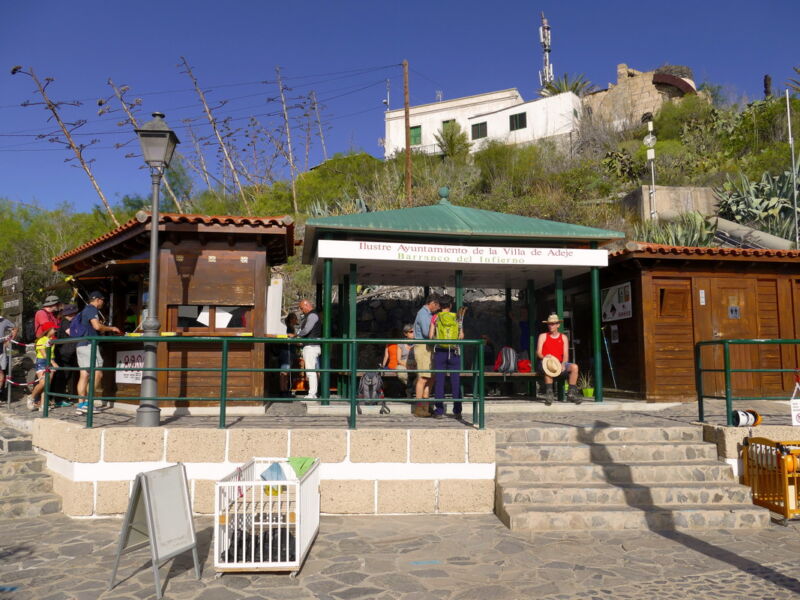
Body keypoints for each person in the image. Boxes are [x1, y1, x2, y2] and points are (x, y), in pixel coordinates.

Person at [75, 291, 121, 414]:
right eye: (102, 300)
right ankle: (88, 404)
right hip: (89, 345)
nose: (103, 303)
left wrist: (101, 328)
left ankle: (81, 404)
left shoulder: (85, 310)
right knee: (98, 374)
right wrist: (111, 328)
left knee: (84, 375)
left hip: (81, 345)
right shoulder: (92, 309)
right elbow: (97, 326)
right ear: (98, 300)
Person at [429, 295, 464, 419]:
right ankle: (457, 411)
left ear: (440, 305)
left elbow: (430, 336)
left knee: (439, 382)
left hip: (440, 352)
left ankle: (439, 411)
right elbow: (461, 336)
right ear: (450, 305)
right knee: (456, 381)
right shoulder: (457, 317)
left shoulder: (435, 317)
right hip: (454, 352)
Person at [536, 312, 580, 405]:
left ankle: (571, 393)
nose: (550, 326)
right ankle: (549, 394)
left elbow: (566, 354)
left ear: (558, 325)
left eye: (553, 324)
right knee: (548, 369)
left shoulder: (563, 337)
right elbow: (538, 352)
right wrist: (545, 357)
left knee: (574, 367)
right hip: (546, 362)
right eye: (549, 324)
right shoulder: (543, 336)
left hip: (559, 363)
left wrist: (563, 364)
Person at [413, 294, 439, 417]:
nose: (438, 309)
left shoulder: (427, 314)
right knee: (423, 378)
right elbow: (426, 332)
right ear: (432, 303)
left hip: (428, 347)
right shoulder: (423, 314)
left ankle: (425, 405)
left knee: (430, 377)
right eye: (437, 306)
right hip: (423, 347)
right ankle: (419, 407)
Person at [291, 299, 321, 400]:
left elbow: (307, 330)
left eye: (302, 308)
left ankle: (312, 394)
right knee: (314, 371)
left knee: (311, 371)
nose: (301, 310)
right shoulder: (312, 315)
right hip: (312, 346)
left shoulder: (312, 315)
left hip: (311, 347)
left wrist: (296, 335)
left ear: (307, 305)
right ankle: (314, 392)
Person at [51, 304, 79, 407]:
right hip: (64, 353)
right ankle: (58, 399)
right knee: (62, 376)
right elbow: (71, 333)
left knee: (64, 376)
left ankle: (59, 397)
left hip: (66, 353)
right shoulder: (66, 322)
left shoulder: (66, 321)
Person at [28, 321, 59, 411]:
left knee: (47, 384)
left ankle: (43, 404)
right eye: (54, 329)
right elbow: (44, 354)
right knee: (43, 382)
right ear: (48, 330)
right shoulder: (41, 340)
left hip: (51, 360)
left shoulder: (52, 339)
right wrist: (53, 363)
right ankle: (31, 397)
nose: (55, 330)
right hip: (43, 362)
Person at [279, 313, 299, 397]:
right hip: (287, 350)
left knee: (286, 371)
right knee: (284, 371)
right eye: (295, 319)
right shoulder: (288, 328)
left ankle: (285, 389)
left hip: (289, 350)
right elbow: (288, 337)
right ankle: (283, 390)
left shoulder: (290, 327)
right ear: (291, 319)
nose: (296, 320)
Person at [0, 313, 18, 394]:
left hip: (1, 350)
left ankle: (1, 393)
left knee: (2, 371)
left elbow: (15, 328)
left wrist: (9, 340)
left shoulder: (4, 321)